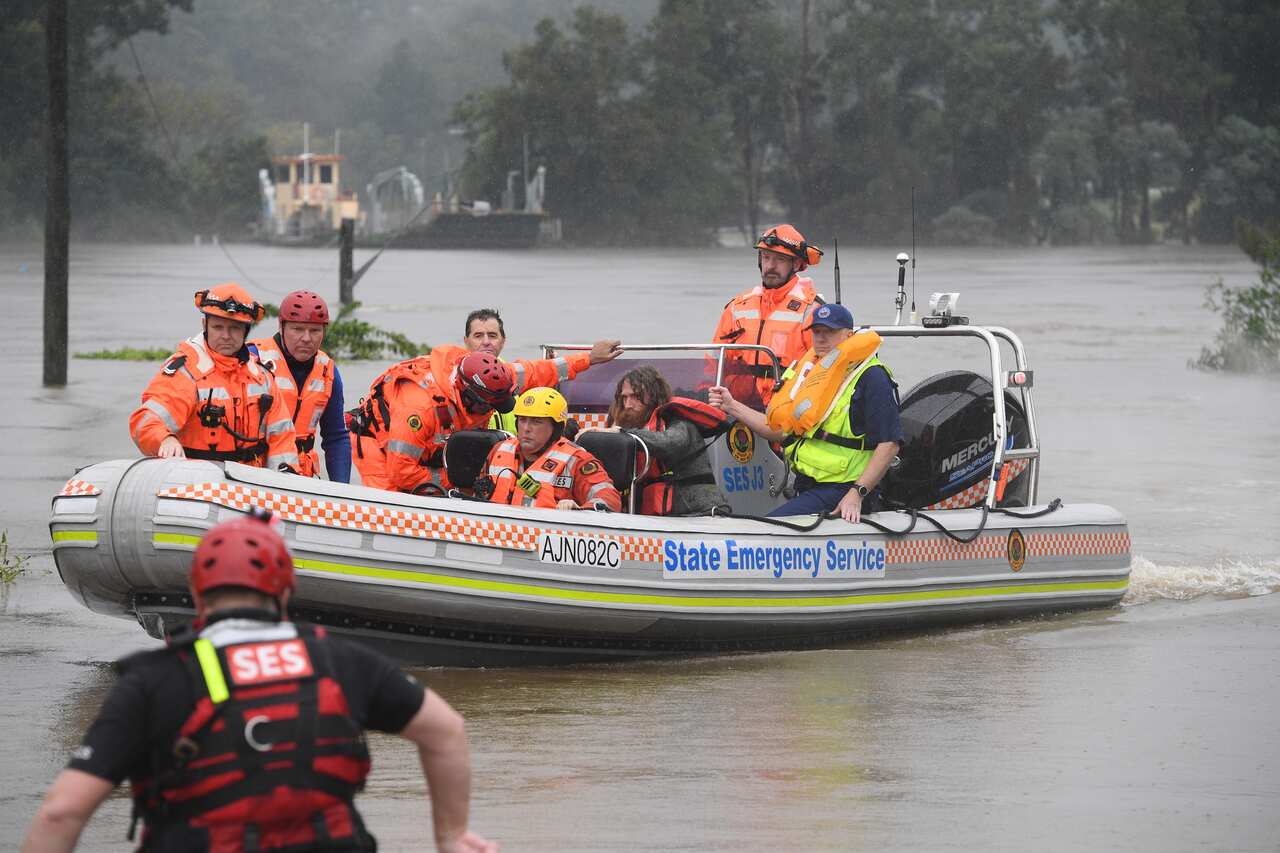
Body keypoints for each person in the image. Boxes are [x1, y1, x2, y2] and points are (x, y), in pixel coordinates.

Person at [21, 512, 497, 853]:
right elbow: (446, 731)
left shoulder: (153, 679)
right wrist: (450, 838)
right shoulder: (339, 660)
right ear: (286, 590)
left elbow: (62, 812)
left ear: (198, 596)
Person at [349, 339, 622, 494]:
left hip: (429, 447)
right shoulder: (419, 407)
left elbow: (541, 370)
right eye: (487, 407)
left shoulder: (493, 377)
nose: (490, 412)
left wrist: (589, 359)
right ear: (469, 398)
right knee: (393, 498)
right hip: (380, 446)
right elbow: (402, 471)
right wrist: (453, 480)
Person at [709, 303, 901, 522]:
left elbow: (890, 444)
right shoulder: (812, 375)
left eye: (829, 332)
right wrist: (731, 405)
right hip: (808, 485)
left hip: (844, 490)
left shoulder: (872, 377)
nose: (821, 338)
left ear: (849, 335)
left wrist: (857, 494)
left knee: (771, 529)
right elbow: (780, 431)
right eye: (817, 332)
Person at [129, 283, 300, 472]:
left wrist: (285, 479)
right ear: (205, 325)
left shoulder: (262, 377)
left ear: (246, 330)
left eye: (234, 328)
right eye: (218, 327)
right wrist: (165, 439)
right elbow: (145, 420)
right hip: (196, 486)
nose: (226, 336)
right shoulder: (186, 372)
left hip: (252, 486)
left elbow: (282, 436)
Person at [589, 365, 730, 516]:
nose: (628, 404)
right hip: (661, 517)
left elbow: (669, 443)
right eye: (624, 397)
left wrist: (620, 433)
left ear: (654, 396)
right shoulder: (632, 425)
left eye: (636, 397)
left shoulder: (679, 421)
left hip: (701, 512)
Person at [712, 224, 824, 406]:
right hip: (735, 409)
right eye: (766, 257)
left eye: (780, 259)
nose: (770, 266)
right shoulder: (736, 307)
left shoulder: (812, 311)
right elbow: (713, 364)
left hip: (787, 412)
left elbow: (825, 371)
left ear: (796, 264)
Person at [248, 290, 352, 482]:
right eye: (297, 329)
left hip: (301, 477)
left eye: (315, 331)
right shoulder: (253, 358)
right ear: (281, 326)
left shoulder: (328, 371)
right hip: (254, 472)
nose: (306, 338)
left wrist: (342, 490)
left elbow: (336, 437)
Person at [479, 388, 621, 511]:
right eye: (522, 420)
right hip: (497, 535)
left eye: (536, 421)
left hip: (546, 537)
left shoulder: (577, 460)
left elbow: (609, 497)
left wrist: (581, 510)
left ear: (556, 428)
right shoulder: (499, 450)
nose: (526, 428)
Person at [462, 308, 516, 433]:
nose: (486, 342)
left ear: (503, 341)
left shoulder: (514, 375)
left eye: (492, 336)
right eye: (478, 336)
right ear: (466, 341)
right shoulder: (454, 381)